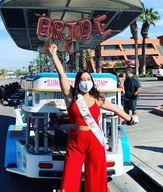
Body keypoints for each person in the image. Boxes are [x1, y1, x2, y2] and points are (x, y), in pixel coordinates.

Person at [48, 43, 135, 192]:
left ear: (92, 82)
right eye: (82, 79)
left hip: (95, 140)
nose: (86, 82)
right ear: (78, 82)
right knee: (70, 175)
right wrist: (54, 54)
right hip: (76, 140)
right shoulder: (71, 97)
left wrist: (130, 118)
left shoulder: (97, 99)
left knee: (97, 176)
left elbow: (115, 109)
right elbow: (61, 74)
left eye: (88, 79)